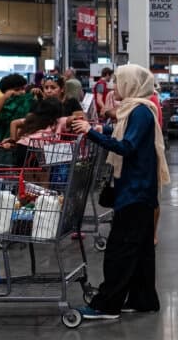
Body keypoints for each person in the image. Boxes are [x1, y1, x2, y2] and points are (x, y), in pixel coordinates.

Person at [71, 64, 170, 320]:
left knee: (119, 250)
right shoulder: (135, 110)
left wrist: (91, 133)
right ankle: (143, 299)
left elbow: (126, 146)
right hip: (141, 190)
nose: (114, 87)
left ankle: (107, 305)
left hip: (135, 191)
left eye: (118, 82)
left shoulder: (140, 112)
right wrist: (96, 128)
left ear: (131, 84)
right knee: (141, 249)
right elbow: (119, 132)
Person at [0, 73, 34, 142]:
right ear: (6, 91)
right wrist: (5, 97)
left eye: (23, 88)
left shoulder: (28, 100)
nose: (22, 92)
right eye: (17, 89)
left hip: (27, 142)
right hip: (7, 143)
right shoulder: (4, 105)